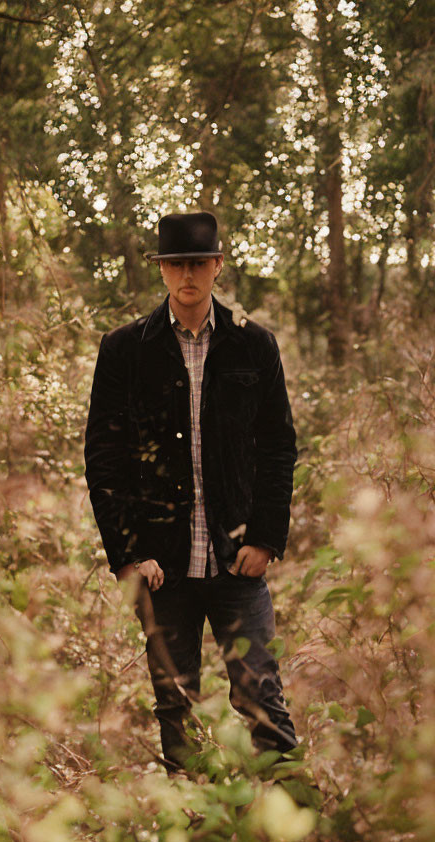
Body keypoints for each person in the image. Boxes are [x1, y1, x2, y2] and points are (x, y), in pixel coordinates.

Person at [84, 211, 298, 774]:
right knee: (176, 706)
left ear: (217, 266)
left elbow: (278, 445)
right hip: (163, 566)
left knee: (262, 699)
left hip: (238, 563)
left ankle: (288, 828)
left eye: (198, 263)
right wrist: (129, 553)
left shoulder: (254, 345)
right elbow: (104, 460)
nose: (187, 274)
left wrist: (267, 537)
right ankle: (189, 830)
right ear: (161, 270)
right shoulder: (125, 349)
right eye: (176, 263)